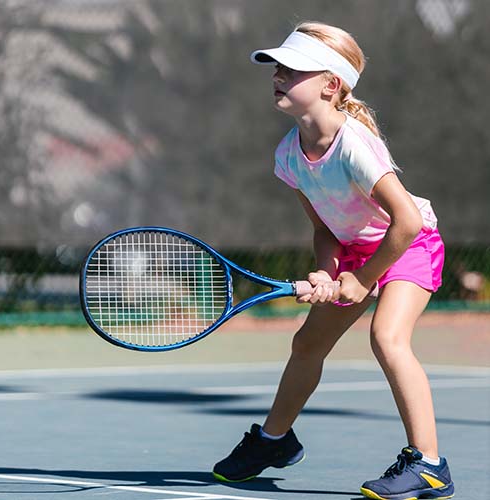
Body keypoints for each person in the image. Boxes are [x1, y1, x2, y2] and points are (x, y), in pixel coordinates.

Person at [212, 21, 455, 500]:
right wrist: (327, 270)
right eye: (278, 68)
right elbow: (325, 228)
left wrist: (363, 279)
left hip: (409, 242)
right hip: (357, 250)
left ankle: (428, 464)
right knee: (306, 345)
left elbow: (404, 220)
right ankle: (274, 442)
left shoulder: (355, 145)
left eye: (293, 69)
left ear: (331, 85)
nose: (278, 75)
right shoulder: (289, 156)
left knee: (387, 337)